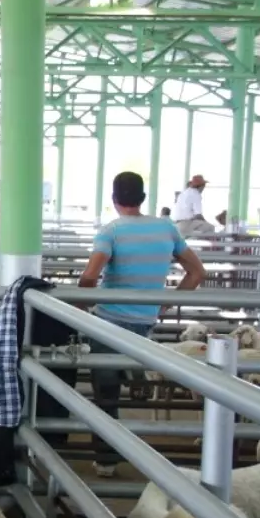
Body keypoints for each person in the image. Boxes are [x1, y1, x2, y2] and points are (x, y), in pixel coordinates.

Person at [78, 172, 207, 477]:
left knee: (105, 393)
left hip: (109, 322)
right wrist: (165, 303)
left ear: (114, 199)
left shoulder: (110, 231)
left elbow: (91, 275)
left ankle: (107, 460)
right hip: (145, 324)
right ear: (143, 198)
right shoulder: (166, 228)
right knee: (136, 381)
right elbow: (197, 273)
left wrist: (77, 306)